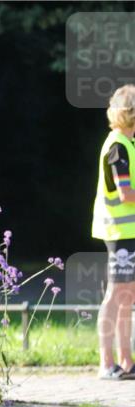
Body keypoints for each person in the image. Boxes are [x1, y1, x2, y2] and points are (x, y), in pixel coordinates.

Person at [92, 85, 135, 380]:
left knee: (126, 296)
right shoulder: (118, 146)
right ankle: (107, 364)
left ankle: (126, 362)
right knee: (115, 295)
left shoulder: (125, 144)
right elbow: (125, 194)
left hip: (126, 230)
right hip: (119, 232)